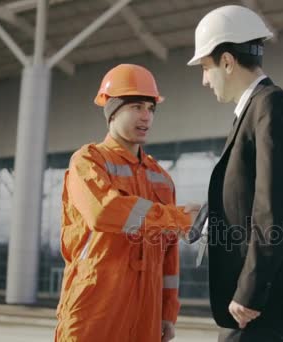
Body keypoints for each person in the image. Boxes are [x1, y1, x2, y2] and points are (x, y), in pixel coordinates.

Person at [187, 5, 283, 342]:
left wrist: (250, 290)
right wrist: (207, 214)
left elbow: (274, 210)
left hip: (260, 302)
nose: (204, 80)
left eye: (205, 67)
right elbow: (250, 197)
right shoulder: (255, 110)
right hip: (255, 299)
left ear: (228, 62)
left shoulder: (271, 107)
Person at [55, 64, 199, 342]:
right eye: (136, 106)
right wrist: (179, 217)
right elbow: (105, 212)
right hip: (96, 308)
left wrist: (168, 311)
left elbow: (169, 255)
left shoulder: (161, 179)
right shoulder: (88, 161)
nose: (146, 117)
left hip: (146, 312)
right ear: (111, 108)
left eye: (151, 108)